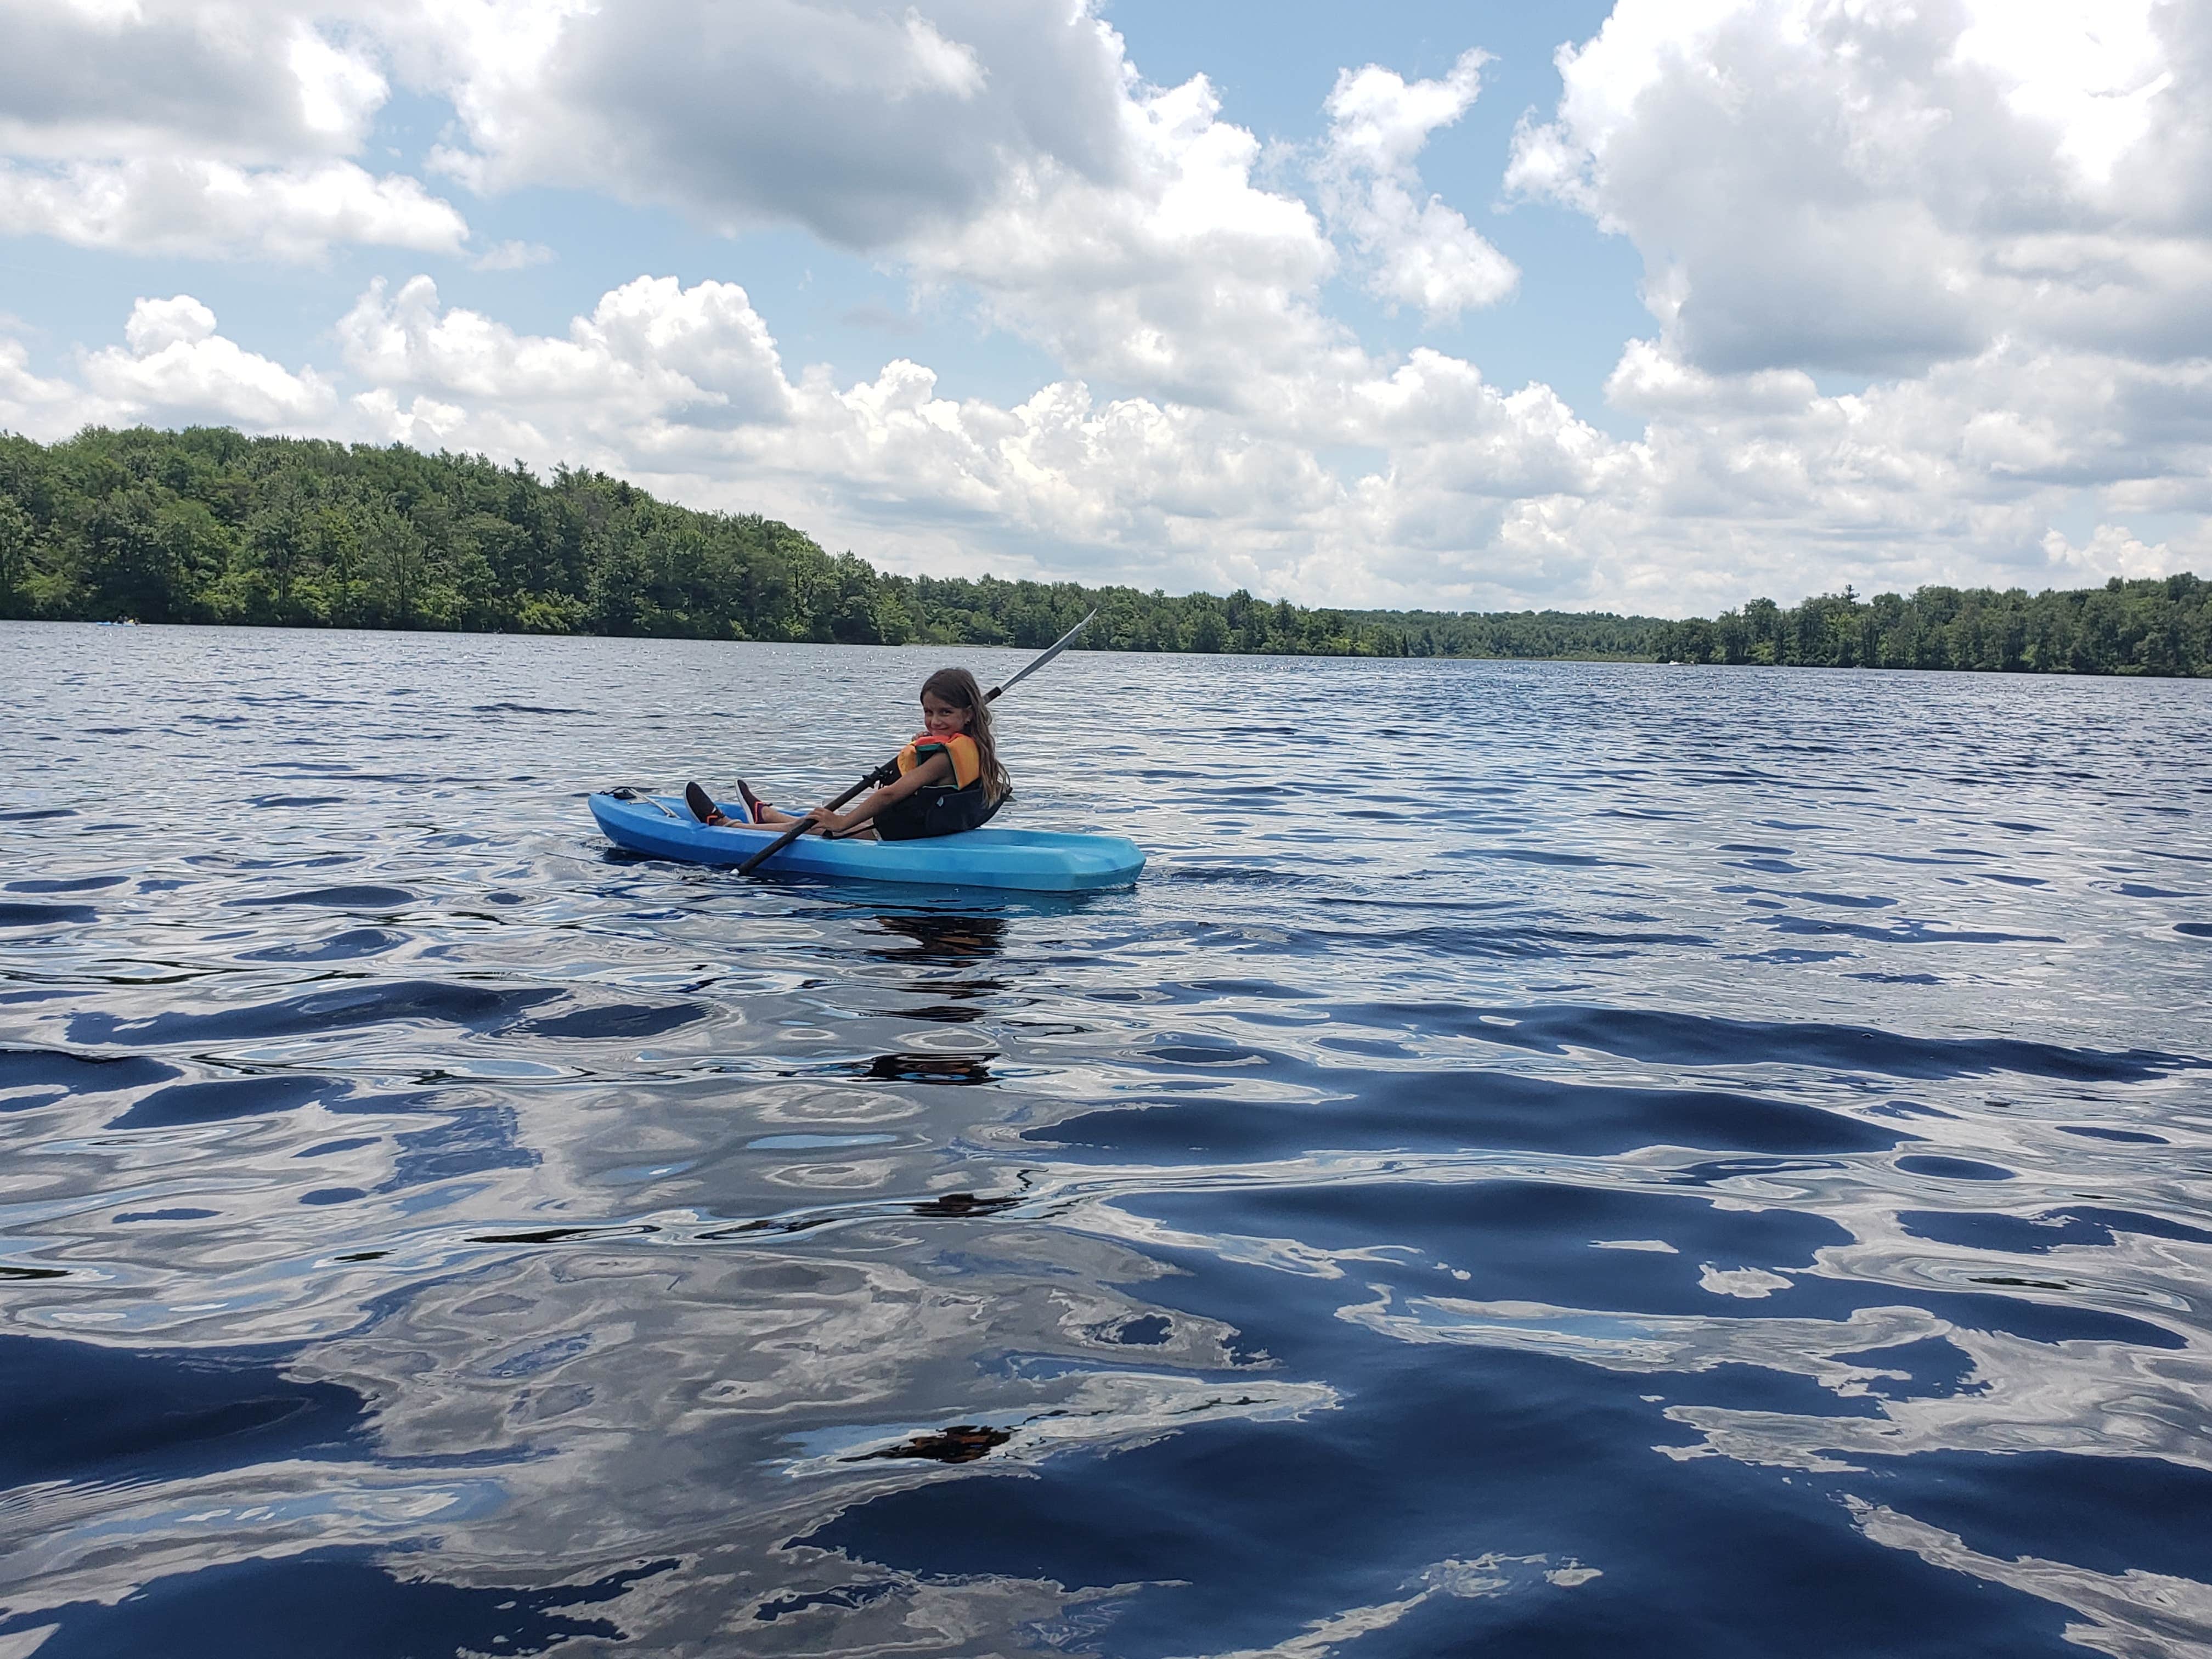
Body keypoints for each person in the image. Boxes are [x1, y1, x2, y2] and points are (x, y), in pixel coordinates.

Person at [685, 667, 1011, 842]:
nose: (934, 721)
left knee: (820, 829)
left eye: (945, 712)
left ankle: (727, 827)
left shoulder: (944, 756)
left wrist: (841, 822)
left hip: (904, 830)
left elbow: (891, 795)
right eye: (929, 712)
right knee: (819, 821)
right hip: (920, 823)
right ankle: (768, 816)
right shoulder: (973, 743)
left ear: (968, 713)